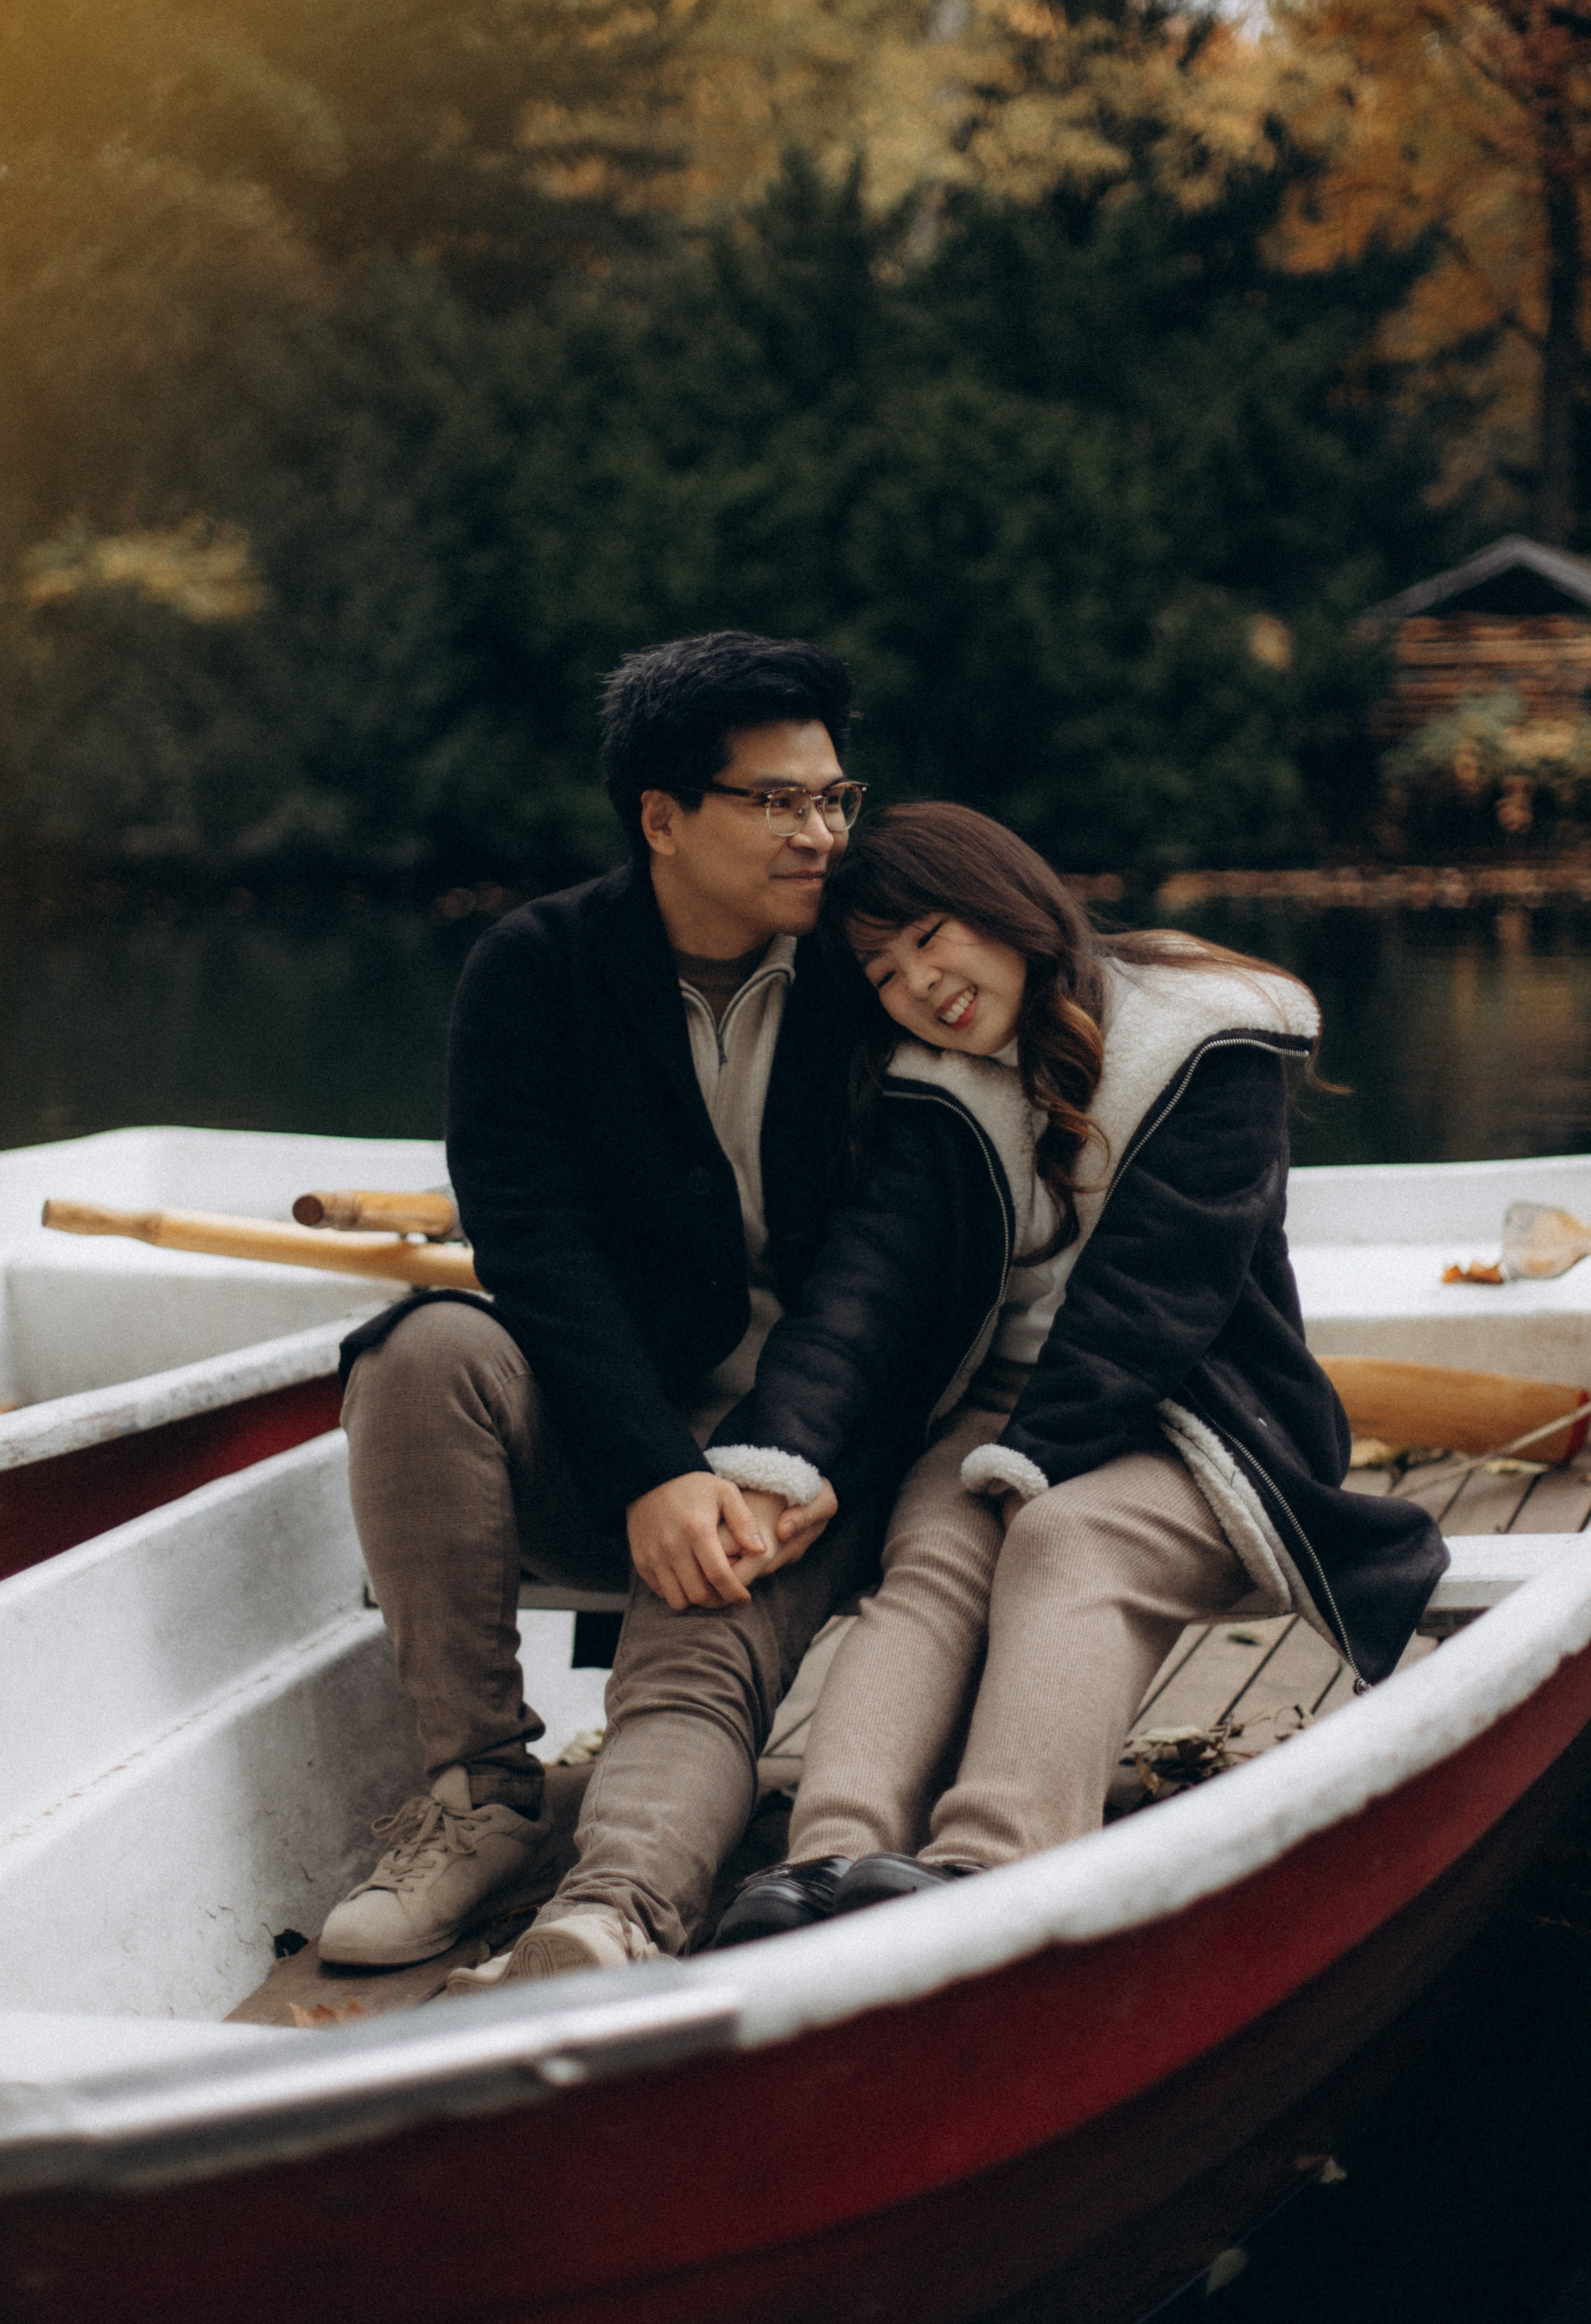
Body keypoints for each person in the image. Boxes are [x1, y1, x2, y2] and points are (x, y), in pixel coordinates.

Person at [708, 803, 1448, 1944]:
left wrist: (1034, 1459)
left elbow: (1157, 1296)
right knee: (935, 1557)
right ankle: (827, 1866)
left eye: (932, 932)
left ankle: (994, 1868)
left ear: (1003, 899)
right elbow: (863, 1292)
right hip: (1011, 1412)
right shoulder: (938, 1085)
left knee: (1066, 1537)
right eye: (883, 969)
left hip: (1202, 1416)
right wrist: (778, 1454)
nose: (920, 983)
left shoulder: (1206, 1041)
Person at [319, 630, 901, 1978]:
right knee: (423, 1350)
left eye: (833, 796)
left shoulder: (875, 969)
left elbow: (893, 1258)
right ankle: (481, 1798)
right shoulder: (537, 967)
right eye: (777, 801)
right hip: (611, 1419)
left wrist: (761, 1454)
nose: (820, 832)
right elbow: (529, 1237)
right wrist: (651, 1463)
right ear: (662, 817)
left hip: (813, 1433)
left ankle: (617, 1900)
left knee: (703, 1620)